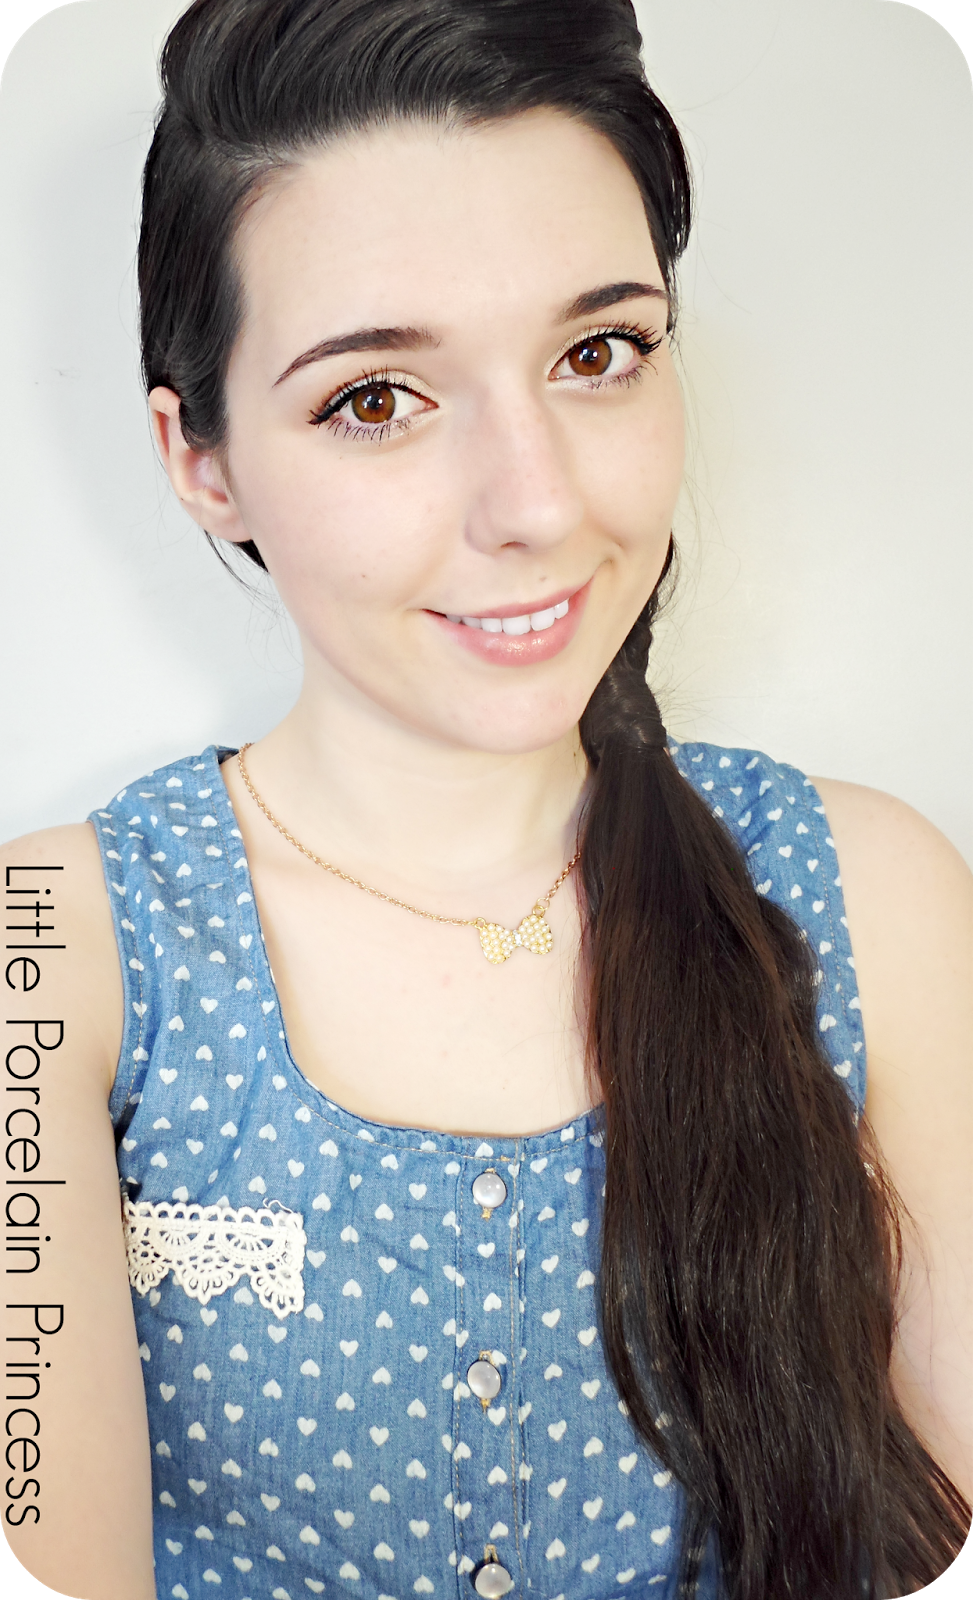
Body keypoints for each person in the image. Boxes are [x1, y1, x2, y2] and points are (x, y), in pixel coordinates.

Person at [3, 2, 970, 1597]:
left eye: (599, 354)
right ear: (201, 459)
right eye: (377, 398)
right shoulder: (57, 951)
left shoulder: (870, 893)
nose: (538, 503)